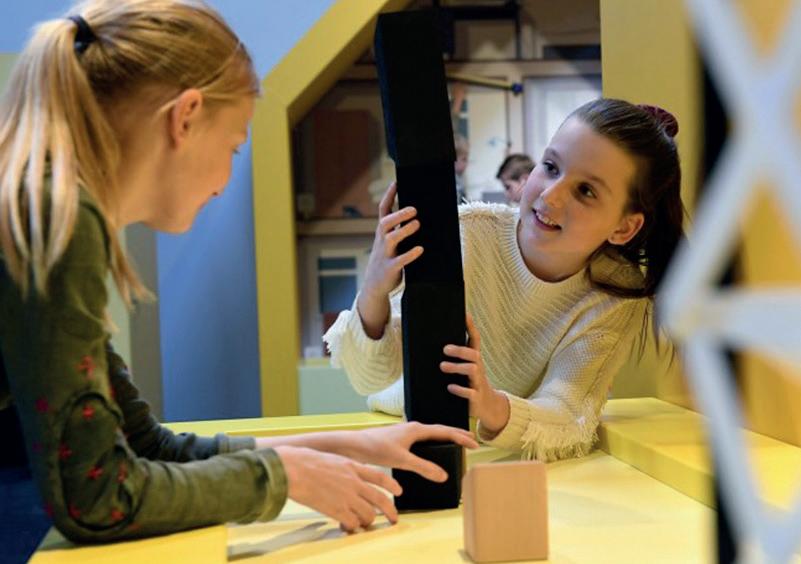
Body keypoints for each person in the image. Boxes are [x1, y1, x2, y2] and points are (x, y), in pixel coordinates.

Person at [0, 0, 478, 552]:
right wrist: (283, 477)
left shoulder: (43, 200)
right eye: (232, 146)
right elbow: (100, 496)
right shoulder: (57, 216)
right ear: (185, 116)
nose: (225, 181)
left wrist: (347, 447)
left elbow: (148, 447)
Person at [325, 98, 685, 463]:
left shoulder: (616, 293)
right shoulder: (464, 234)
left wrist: (490, 403)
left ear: (624, 228)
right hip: (399, 435)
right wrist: (374, 288)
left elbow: (569, 414)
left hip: (501, 455)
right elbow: (367, 378)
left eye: (586, 191)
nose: (550, 195)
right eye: (550, 167)